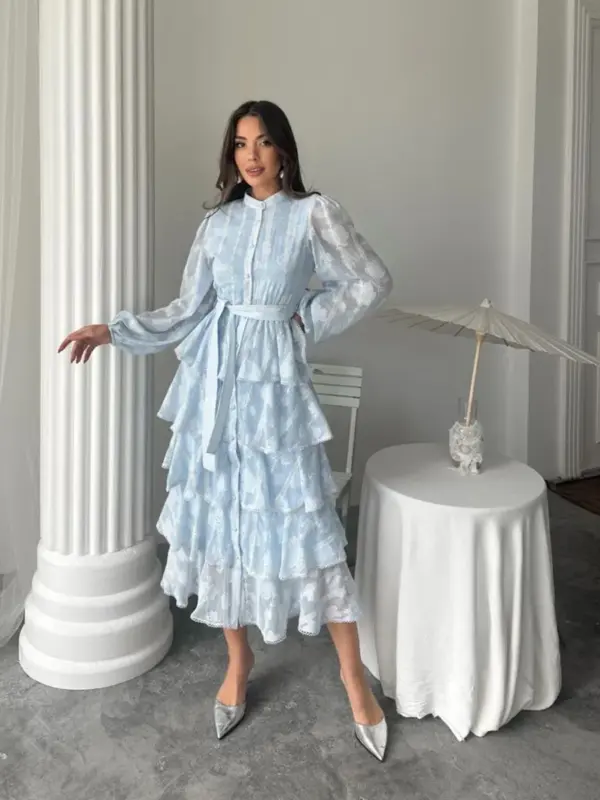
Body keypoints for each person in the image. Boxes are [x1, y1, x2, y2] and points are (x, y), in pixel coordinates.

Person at [59, 100, 393, 761]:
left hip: (276, 399)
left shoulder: (312, 214)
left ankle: (353, 677)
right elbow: (189, 309)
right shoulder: (217, 224)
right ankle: (238, 663)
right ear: (231, 154)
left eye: (263, 142)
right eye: (241, 143)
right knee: (222, 526)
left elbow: (371, 279)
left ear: (284, 151)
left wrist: (305, 318)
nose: (252, 155)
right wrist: (115, 330)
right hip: (214, 394)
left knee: (308, 526)